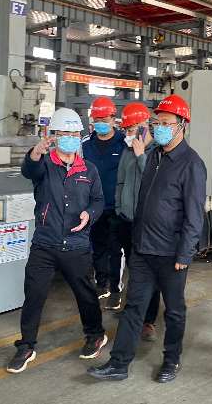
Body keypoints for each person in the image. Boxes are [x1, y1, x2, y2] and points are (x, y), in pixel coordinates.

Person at [87, 94, 206, 383]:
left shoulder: (191, 164)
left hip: (171, 254)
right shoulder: (153, 156)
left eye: (166, 123)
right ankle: (119, 363)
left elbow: (194, 215)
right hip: (143, 249)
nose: (160, 128)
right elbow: (143, 200)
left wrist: (185, 254)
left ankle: (171, 360)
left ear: (182, 125)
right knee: (133, 307)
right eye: (157, 123)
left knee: (174, 311)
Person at [7, 108, 106, 374]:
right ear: (54, 135)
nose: (70, 138)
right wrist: (35, 152)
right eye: (65, 134)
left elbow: (98, 200)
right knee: (34, 294)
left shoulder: (89, 170)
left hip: (76, 244)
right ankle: (26, 345)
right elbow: (29, 171)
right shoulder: (44, 165)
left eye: (74, 134)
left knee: (85, 294)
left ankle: (95, 334)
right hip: (45, 243)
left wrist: (90, 214)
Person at [115, 102, 161, 341]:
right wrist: (118, 208)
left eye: (132, 129)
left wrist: (141, 155)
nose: (128, 133)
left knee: (149, 274)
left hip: (146, 224)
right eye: (126, 129)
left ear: (144, 126)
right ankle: (133, 310)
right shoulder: (126, 150)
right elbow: (121, 182)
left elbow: (155, 182)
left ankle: (148, 320)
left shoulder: (157, 152)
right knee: (133, 270)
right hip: (126, 220)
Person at [83, 96, 126, 308]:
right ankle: (102, 284)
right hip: (93, 207)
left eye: (104, 119)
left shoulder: (124, 143)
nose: (100, 123)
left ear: (113, 118)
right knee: (97, 247)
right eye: (97, 119)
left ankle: (116, 289)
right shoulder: (85, 145)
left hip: (116, 207)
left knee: (115, 250)